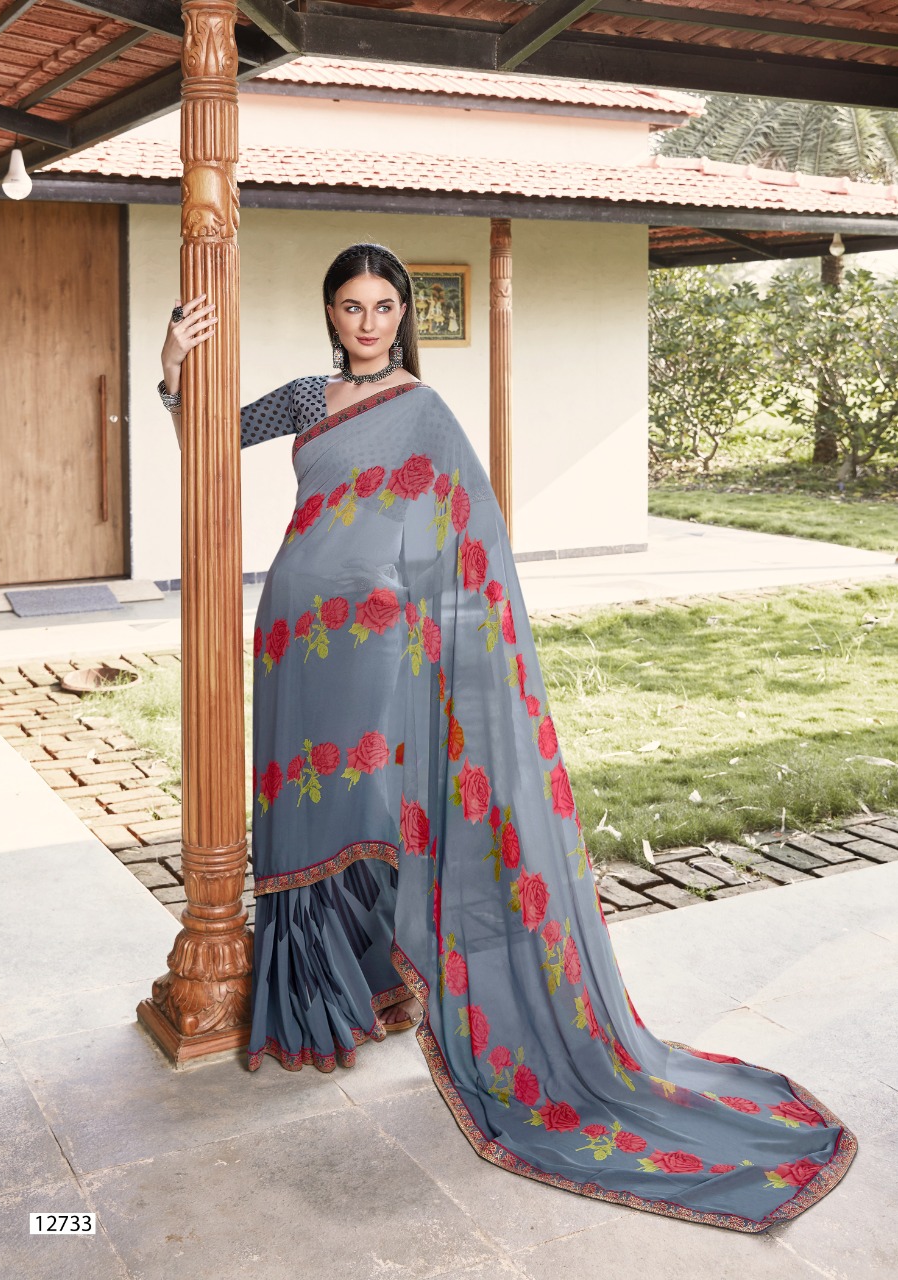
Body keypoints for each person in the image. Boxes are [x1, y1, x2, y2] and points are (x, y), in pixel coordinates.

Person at [159, 242, 855, 1233]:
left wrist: (451, 636)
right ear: (331, 314)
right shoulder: (310, 398)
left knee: (381, 805)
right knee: (310, 811)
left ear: (403, 314)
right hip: (293, 634)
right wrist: (174, 369)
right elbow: (211, 440)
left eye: (384, 306)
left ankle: (382, 980)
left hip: (384, 642)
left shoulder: (426, 412)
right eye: (351, 306)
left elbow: (462, 535)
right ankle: (325, 999)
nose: (368, 322)